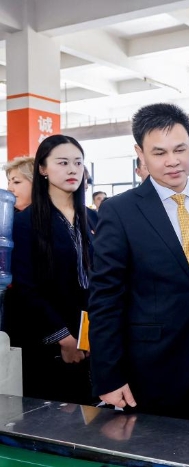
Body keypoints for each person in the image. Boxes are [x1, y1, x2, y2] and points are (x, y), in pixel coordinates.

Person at [88, 103, 189, 423]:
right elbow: (105, 299)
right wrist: (108, 376)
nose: (172, 161)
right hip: (149, 369)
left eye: (180, 149)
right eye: (159, 152)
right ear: (140, 153)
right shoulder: (120, 211)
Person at [4, 135, 93, 405]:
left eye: (78, 163)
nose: (72, 169)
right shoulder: (25, 223)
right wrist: (63, 337)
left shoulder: (94, 219)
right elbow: (25, 288)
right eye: (63, 163)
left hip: (92, 335)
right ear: (42, 168)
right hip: (46, 339)